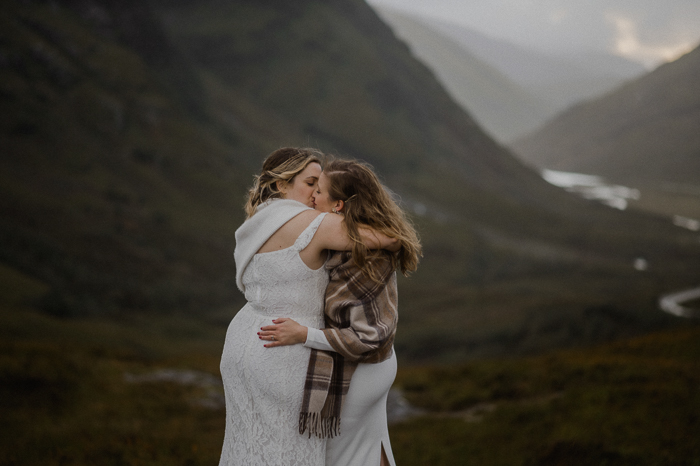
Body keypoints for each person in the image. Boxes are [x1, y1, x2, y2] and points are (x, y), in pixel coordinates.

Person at [218, 148, 398, 466]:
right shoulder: (314, 223)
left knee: (248, 445)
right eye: (311, 183)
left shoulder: (255, 221)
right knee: (288, 453)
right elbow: (385, 237)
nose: (317, 194)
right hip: (285, 348)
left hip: (244, 338)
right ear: (281, 185)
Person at [258, 159, 421, 466]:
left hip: (363, 366)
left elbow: (367, 336)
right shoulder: (351, 240)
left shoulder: (365, 258)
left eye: (319, 191)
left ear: (338, 205)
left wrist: (302, 333)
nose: (312, 197)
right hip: (376, 363)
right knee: (372, 448)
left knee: (343, 457)